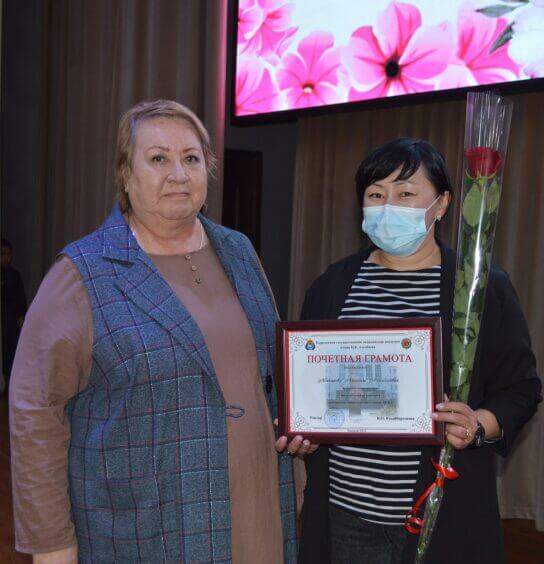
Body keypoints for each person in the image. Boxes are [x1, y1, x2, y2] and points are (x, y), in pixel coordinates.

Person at [10, 99, 306, 564]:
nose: (178, 174)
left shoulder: (239, 252)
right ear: (125, 174)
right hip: (145, 531)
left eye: (191, 158)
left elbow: (270, 372)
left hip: (258, 512)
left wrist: (300, 424)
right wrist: (51, 543)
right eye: (158, 158)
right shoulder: (82, 273)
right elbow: (35, 411)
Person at [298, 138, 542, 564]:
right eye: (376, 195)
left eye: (406, 193)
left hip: (443, 512)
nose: (388, 206)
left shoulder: (478, 288)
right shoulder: (333, 285)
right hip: (347, 512)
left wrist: (478, 425)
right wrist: (300, 425)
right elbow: (308, 385)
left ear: (442, 204)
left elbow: (521, 388)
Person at [1, 238, 26, 389]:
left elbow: (21, 297)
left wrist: (22, 315)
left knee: (12, 351)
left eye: (8, 254)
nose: (6, 258)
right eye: (3, 254)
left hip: (11, 320)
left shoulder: (14, 275)